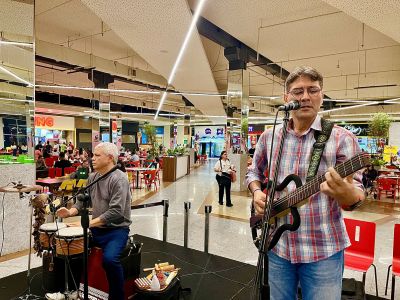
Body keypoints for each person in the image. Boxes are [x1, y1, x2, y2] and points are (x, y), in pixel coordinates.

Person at [246, 66, 365, 299]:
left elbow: (357, 196)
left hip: (323, 250)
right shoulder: (269, 137)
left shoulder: (342, 139)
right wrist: (256, 191)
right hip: (277, 245)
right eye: (297, 91)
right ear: (286, 98)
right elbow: (253, 172)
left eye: (313, 90)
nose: (305, 97)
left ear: (322, 95)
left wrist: (346, 194)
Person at [56, 142, 131, 300]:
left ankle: (117, 297)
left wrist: (88, 223)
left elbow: (116, 212)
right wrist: (70, 211)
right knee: (68, 247)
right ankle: (72, 290)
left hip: (116, 231)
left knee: (110, 260)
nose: (92, 159)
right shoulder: (93, 177)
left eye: (97, 156)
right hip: (96, 229)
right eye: (93, 155)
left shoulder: (120, 179)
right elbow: (82, 202)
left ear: (110, 158)